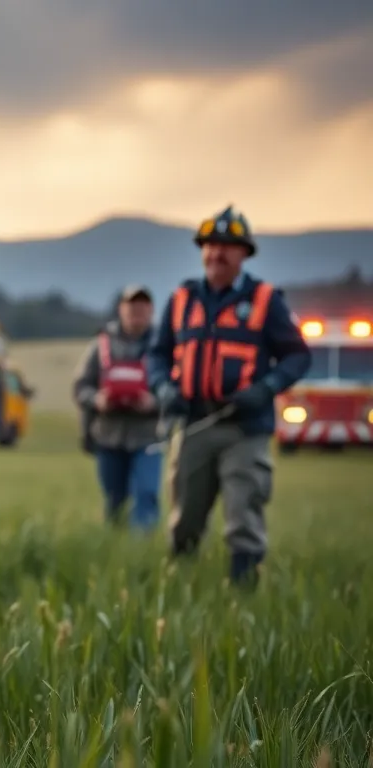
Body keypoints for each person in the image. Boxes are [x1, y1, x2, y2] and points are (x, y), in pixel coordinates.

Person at [146, 204, 311, 588]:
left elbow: (298, 355)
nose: (216, 254)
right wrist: (164, 388)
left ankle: (244, 596)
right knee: (185, 516)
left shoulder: (266, 301)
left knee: (243, 514)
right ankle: (180, 589)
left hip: (245, 429)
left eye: (227, 246)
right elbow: (157, 355)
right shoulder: (181, 300)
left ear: (244, 254)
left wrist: (266, 388)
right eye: (209, 246)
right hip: (193, 424)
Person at [73, 285, 161, 530]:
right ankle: (115, 545)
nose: (137, 312)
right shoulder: (100, 346)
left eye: (143, 307)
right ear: (121, 309)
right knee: (114, 500)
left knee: (147, 493)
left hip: (148, 436)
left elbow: (176, 387)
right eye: (132, 306)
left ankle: (141, 549)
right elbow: (80, 387)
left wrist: (154, 403)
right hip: (109, 435)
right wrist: (97, 400)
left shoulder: (162, 346)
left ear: (152, 310)